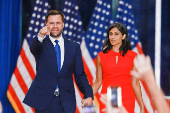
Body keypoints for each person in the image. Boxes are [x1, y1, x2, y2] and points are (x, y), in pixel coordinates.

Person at [23, 10, 93, 113]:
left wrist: (88, 95)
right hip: (44, 102)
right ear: (46, 24)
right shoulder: (40, 44)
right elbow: (33, 49)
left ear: (63, 24)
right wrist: (40, 36)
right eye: (51, 23)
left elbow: (80, 75)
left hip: (66, 102)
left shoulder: (74, 47)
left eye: (58, 23)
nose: (55, 26)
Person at [92, 23, 145, 113]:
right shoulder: (101, 56)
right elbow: (98, 81)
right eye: (111, 34)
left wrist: (142, 106)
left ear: (123, 36)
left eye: (116, 34)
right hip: (107, 100)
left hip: (127, 101)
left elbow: (135, 83)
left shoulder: (133, 56)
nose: (113, 37)